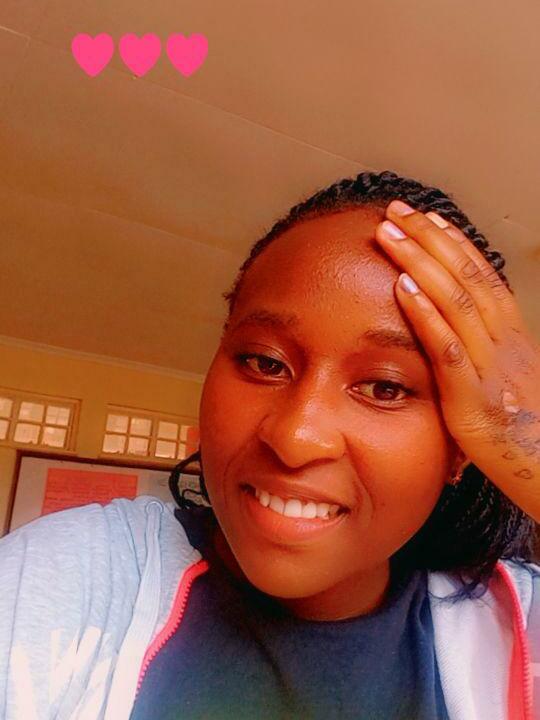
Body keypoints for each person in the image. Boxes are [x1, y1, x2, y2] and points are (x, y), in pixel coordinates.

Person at [1, 170, 539, 720]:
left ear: (461, 447)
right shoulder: (75, 575)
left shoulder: (520, 620)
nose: (294, 437)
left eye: (385, 387)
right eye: (264, 362)